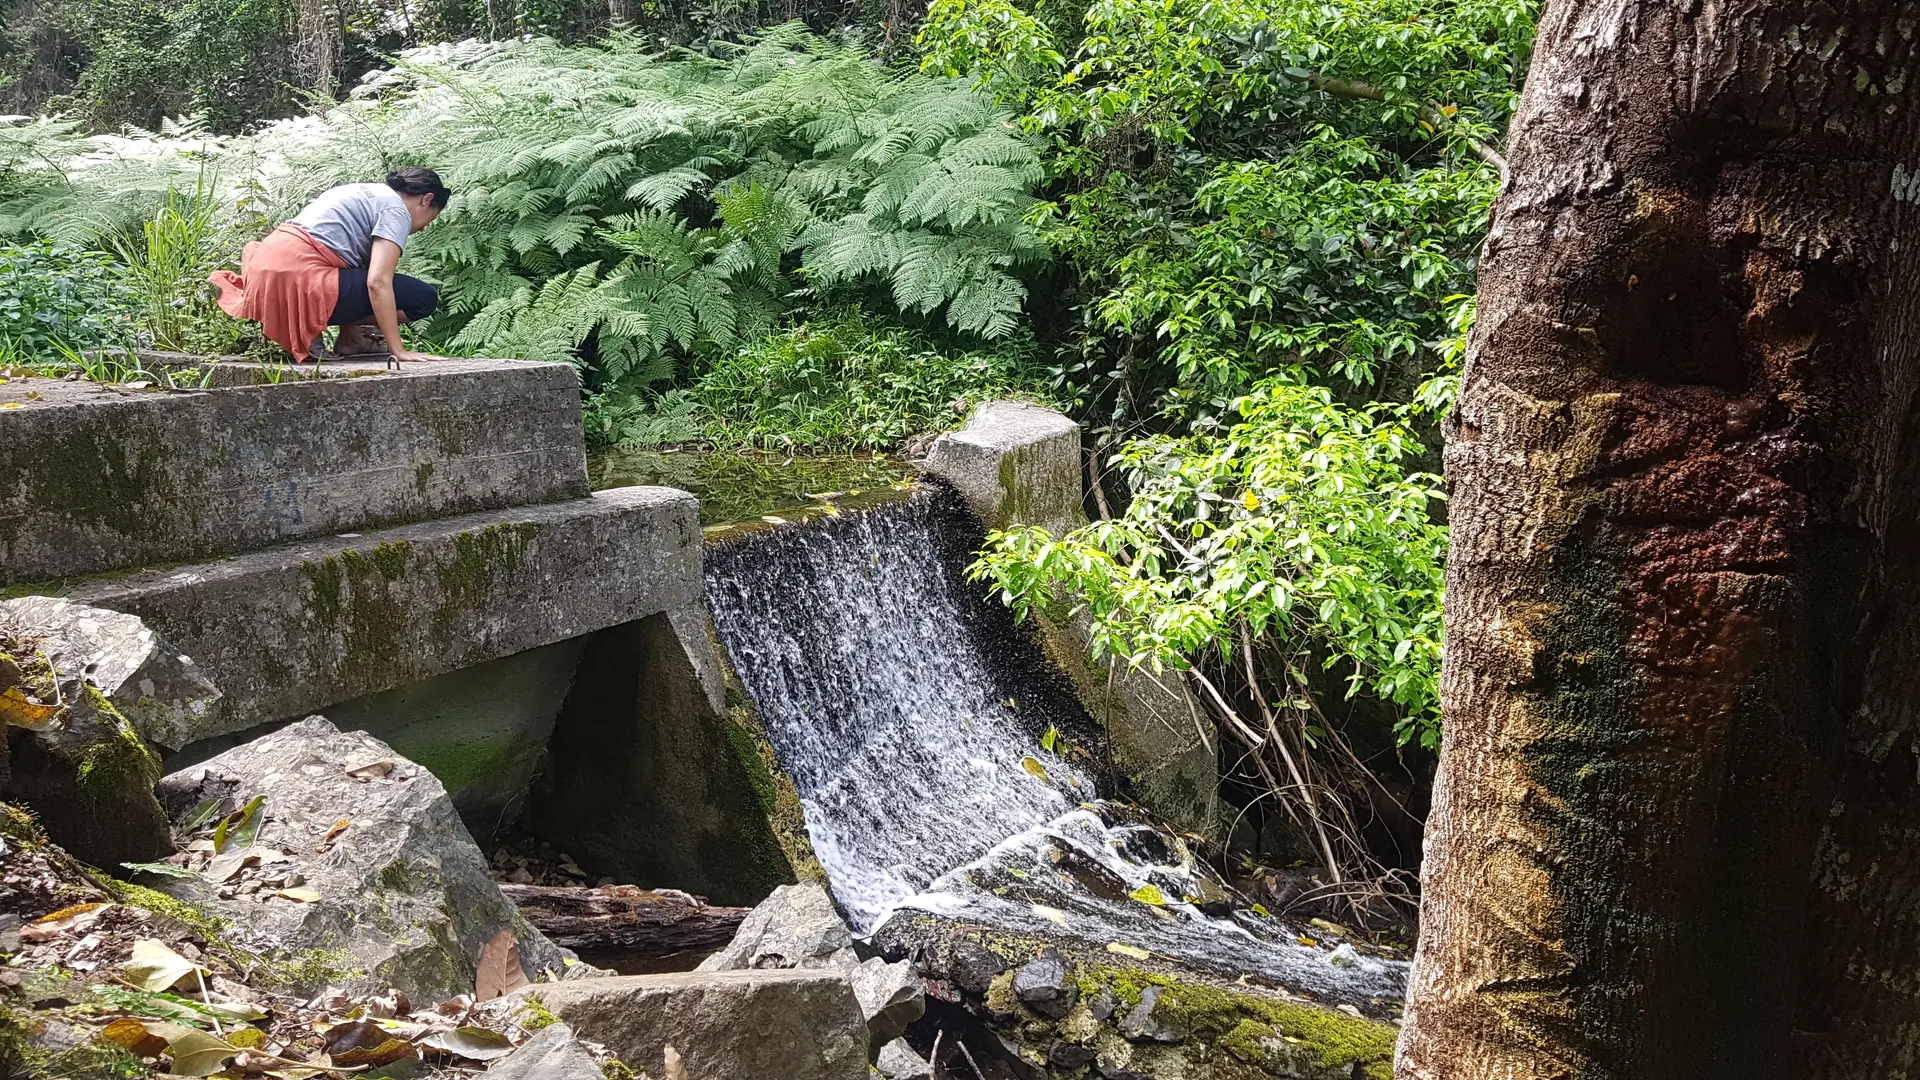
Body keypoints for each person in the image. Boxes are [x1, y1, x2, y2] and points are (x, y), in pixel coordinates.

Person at [210, 168, 450, 364]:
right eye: (433, 216)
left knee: (359, 279)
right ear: (426, 200)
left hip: (268, 276)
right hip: (299, 278)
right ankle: (312, 326)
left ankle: (352, 339)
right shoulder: (396, 210)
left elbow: (352, 271)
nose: (427, 226)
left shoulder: (364, 191)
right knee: (422, 298)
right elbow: (377, 282)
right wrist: (400, 351)